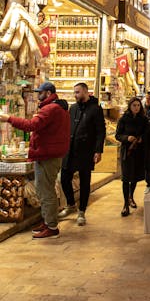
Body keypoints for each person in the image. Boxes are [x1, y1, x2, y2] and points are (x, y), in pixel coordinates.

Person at [0, 82, 70, 239]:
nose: (38, 95)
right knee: (43, 190)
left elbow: (31, 125)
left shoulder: (50, 109)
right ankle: (47, 221)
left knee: (46, 191)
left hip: (47, 155)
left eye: (41, 92)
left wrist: (8, 118)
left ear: (48, 92)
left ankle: (52, 227)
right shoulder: (56, 108)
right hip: (48, 153)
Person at [59, 82, 105, 226]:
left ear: (86, 92)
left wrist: (98, 150)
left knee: (85, 182)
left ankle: (82, 211)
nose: (75, 95)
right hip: (70, 150)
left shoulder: (95, 109)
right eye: (75, 92)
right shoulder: (73, 108)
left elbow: (100, 131)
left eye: (78, 92)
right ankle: (71, 204)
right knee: (64, 178)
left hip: (86, 151)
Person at [115, 97, 148, 216]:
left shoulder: (143, 119)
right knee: (126, 178)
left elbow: (147, 133)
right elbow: (117, 135)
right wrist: (127, 138)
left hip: (138, 152)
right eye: (134, 105)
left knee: (134, 177)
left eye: (138, 105)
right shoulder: (124, 119)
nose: (136, 108)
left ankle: (131, 197)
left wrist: (141, 139)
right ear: (130, 106)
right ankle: (125, 204)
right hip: (127, 152)